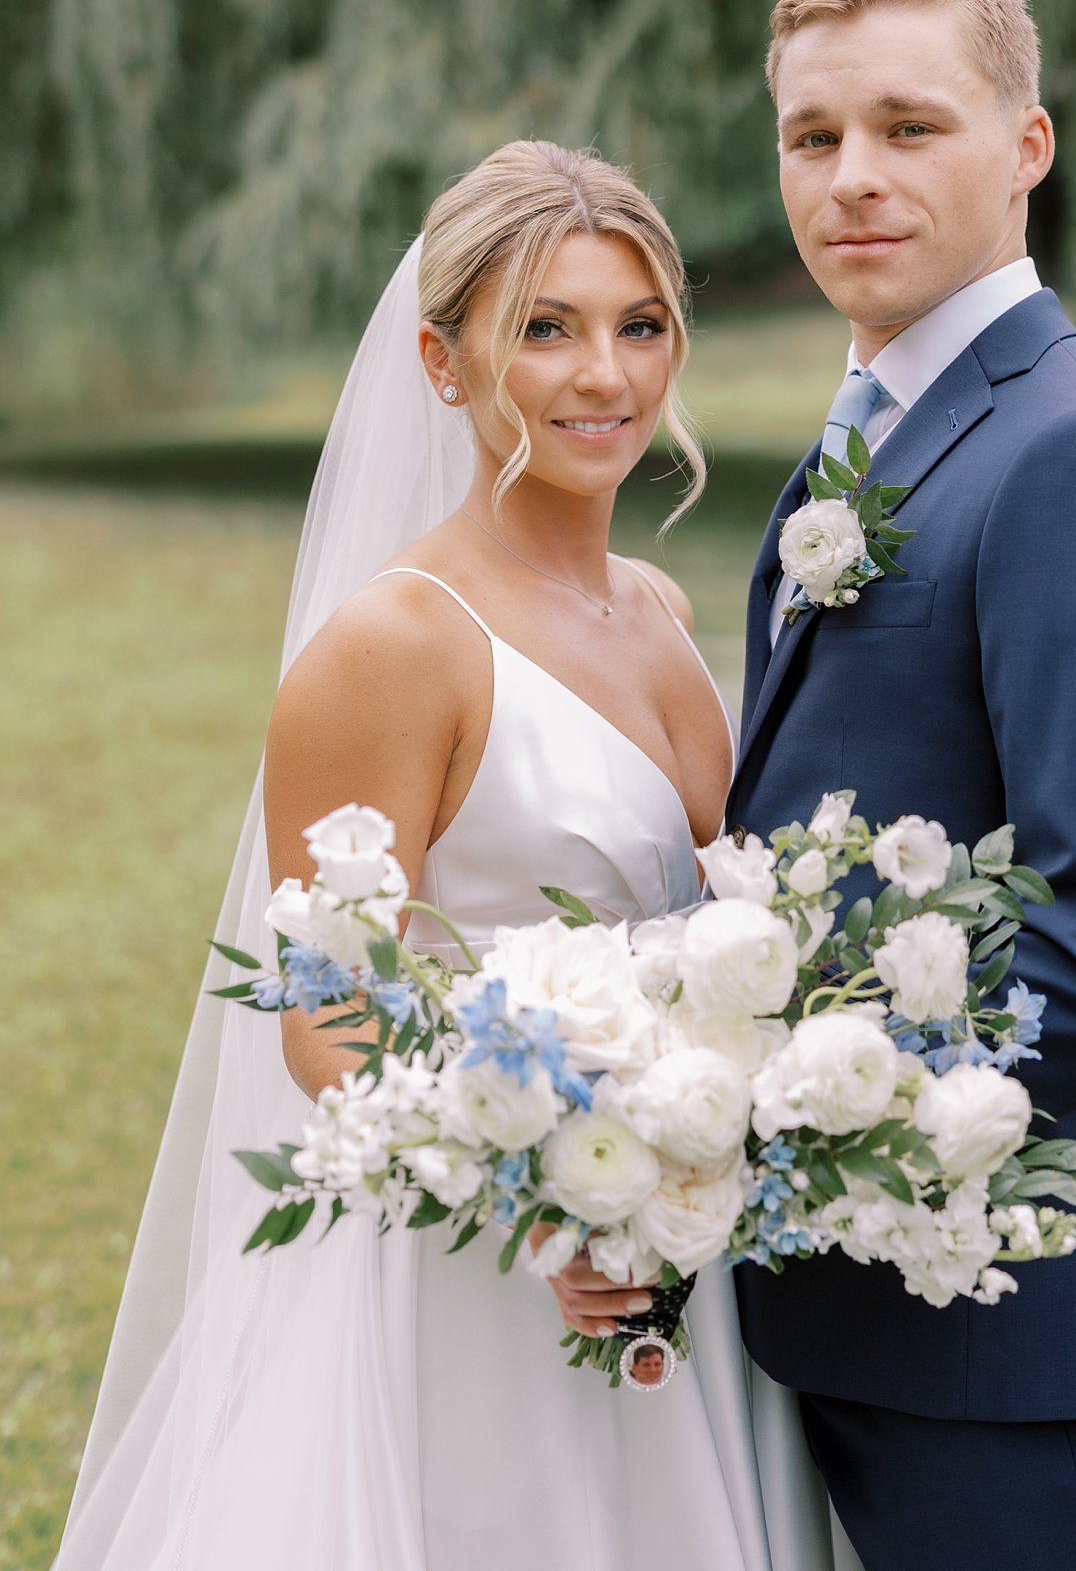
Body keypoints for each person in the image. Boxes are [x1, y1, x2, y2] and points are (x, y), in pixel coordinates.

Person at [53, 142, 837, 1571]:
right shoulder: (396, 643)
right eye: (546, 327)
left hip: (681, 1249)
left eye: (640, 324)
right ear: (442, 357)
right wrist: (550, 1207)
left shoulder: (656, 609)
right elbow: (329, 1019)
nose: (606, 374)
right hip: (489, 1273)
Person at [728, 0, 1076, 1571]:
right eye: (814, 140)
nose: (853, 180)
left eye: (909, 127)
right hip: (854, 1314)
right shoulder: (880, 427)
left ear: (1027, 148)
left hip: (1014, 1332)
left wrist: (764, 1118)